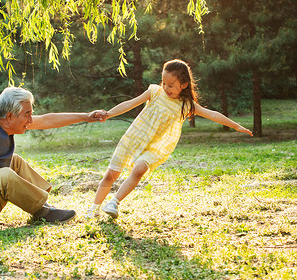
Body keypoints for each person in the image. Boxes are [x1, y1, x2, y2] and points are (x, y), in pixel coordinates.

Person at [85, 59, 253, 219]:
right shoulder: (155, 92)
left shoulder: (187, 105)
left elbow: (212, 114)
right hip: (135, 137)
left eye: (171, 85)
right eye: (163, 83)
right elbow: (131, 103)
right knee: (111, 175)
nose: (166, 88)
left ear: (184, 85)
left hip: (156, 146)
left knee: (139, 170)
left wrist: (236, 126)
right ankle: (94, 208)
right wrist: (109, 113)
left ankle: (113, 203)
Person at [0, 86, 105, 229]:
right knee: (5, 175)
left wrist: (86, 116)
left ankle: (44, 206)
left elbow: (46, 120)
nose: (31, 120)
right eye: (27, 114)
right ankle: (42, 210)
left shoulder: (2, 123)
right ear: (10, 116)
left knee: (14, 161)